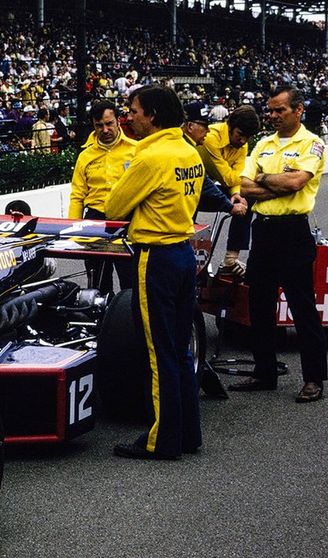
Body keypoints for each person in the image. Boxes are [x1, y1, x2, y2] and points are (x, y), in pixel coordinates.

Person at [104, 85, 204, 460]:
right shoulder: (187, 150)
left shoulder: (151, 158)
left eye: (135, 111)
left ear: (154, 115)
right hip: (182, 252)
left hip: (155, 258)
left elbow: (115, 204)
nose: (130, 116)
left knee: (158, 353)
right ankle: (187, 433)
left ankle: (161, 440)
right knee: (179, 351)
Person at [232, 86, 327, 403]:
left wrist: (263, 179)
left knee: (302, 308)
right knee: (259, 305)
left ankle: (313, 378)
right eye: (269, 110)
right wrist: (274, 183)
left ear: (298, 110)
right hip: (264, 231)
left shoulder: (313, 143)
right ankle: (264, 372)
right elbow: (243, 186)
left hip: (293, 232)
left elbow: (297, 183)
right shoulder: (262, 144)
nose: (271, 116)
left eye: (278, 110)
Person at [68, 99, 138, 293]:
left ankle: (130, 318)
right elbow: (77, 195)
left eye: (109, 124)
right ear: (93, 125)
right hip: (95, 221)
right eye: (99, 125)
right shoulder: (85, 156)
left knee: (130, 277)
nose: (105, 130)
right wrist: (74, 229)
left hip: (128, 220)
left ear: (118, 121)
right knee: (98, 282)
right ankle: (101, 320)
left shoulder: (136, 150)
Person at [197, 105, 261, 275]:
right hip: (192, 187)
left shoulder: (242, 144)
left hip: (212, 187)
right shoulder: (211, 138)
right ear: (230, 126)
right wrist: (241, 183)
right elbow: (226, 177)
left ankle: (230, 259)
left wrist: (236, 194)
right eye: (239, 135)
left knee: (247, 198)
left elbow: (235, 179)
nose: (242, 142)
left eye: (247, 138)